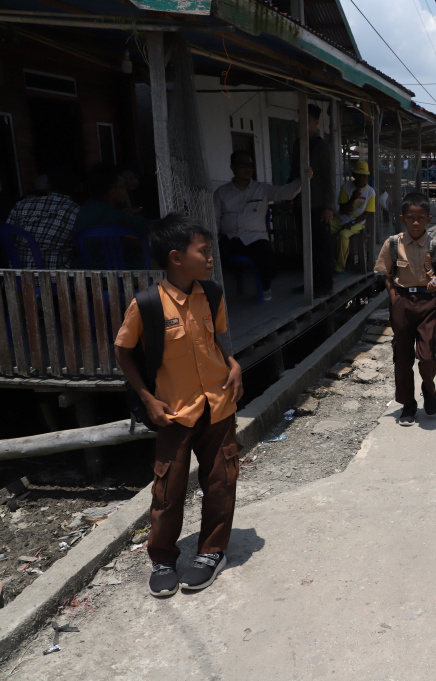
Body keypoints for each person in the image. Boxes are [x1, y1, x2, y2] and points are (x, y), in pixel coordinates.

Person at [113, 213, 244, 598]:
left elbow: (218, 342)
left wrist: (234, 365)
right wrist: (147, 398)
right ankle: (163, 558)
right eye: (202, 251)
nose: (210, 258)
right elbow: (123, 351)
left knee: (221, 481)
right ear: (175, 257)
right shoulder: (148, 305)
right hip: (174, 412)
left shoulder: (213, 294)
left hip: (219, 405)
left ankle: (211, 553)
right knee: (168, 488)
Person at [373, 192, 436, 426]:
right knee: (402, 356)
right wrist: (394, 298)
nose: (415, 222)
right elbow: (386, 274)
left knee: (427, 355)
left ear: (429, 219)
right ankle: (408, 404)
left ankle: (428, 388)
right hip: (402, 302)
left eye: (420, 218)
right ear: (402, 218)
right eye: (410, 218)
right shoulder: (393, 244)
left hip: (427, 303)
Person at [214, 151, 311, 301]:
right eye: (243, 165)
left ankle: (265, 287)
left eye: (250, 165)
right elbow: (215, 217)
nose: (248, 169)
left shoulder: (262, 189)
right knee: (208, 257)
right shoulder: (221, 193)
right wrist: (214, 236)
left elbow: (285, 193)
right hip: (230, 238)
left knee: (269, 263)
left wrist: (303, 179)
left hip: (255, 238)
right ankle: (211, 294)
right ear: (232, 167)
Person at [290, 103, 335, 296]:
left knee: (321, 247)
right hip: (301, 202)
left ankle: (325, 284)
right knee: (305, 246)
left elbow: (329, 178)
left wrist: (328, 207)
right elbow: (293, 173)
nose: (303, 124)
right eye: (301, 120)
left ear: (316, 122)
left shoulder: (322, 146)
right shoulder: (297, 144)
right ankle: (310, 281)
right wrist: (290, 195)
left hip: (318, 205)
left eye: (307, 121)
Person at [4, 166, 79, 268]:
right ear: (76, 189)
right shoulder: (76, 211)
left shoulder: (22, 205)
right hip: (56, 280)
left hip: (18, 278)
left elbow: (7, 238)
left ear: (48, 186)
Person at [332, 160, 375, 272]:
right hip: (341, 218)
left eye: (364, 175)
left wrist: (352, 223)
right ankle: (327, 261)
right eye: (359, 175)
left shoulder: (370, 192)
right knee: (324, 229)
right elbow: (344, 210)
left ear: (367, 176)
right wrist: (353, 198)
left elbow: (366, 214)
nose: (361, 178)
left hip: (358, 222)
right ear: (354, 175)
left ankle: (340, 267)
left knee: (343, 235)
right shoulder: (346, 187)